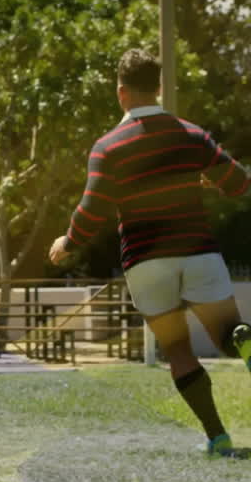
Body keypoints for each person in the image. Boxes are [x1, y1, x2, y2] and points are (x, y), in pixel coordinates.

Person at [50, 49, 251, 456]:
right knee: (229, 336)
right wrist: (209, 181)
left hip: (146, 263)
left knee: (178, 351)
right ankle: (242, 339)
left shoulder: (108, 147)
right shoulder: (191, 135)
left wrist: (67, 242)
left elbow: (93, 210)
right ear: (158, 87)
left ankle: (218, 436)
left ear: (120, 92)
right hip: (198, 252)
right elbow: (239, 183)